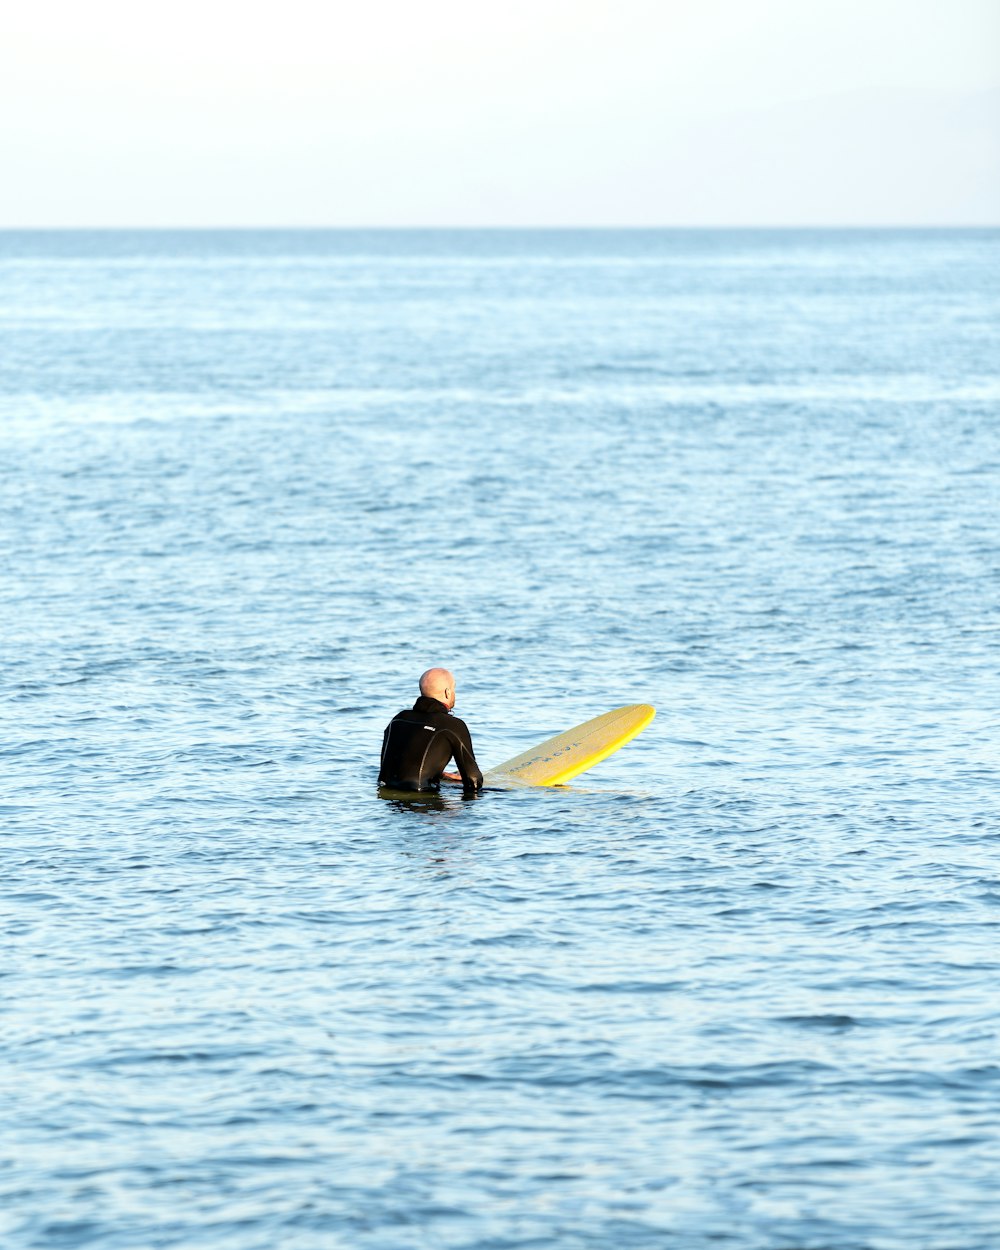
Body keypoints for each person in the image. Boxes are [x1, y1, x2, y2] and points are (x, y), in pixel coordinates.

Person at [379, 668, 483, 795]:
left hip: (388, 801)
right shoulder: (454, 725)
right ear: (447, 693)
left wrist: (440, 775)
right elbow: (474, 781)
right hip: (425, 802)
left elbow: (400, 770)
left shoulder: (398, 719)